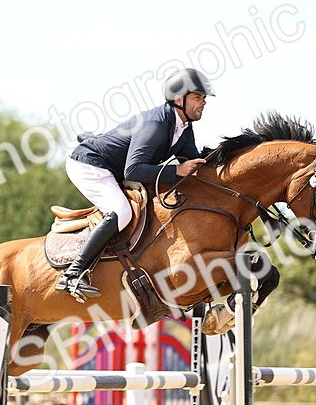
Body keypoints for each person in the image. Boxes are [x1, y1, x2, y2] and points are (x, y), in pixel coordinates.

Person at [57, 68, 216, 301]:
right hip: (90, 165)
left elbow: (194, 165)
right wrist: (176, 170)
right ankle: (73, 274)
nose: (203, 103)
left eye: (203, 99)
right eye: (197, 98)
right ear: (179, 100)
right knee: (121, 211)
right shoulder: (156, 125)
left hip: (113, 169)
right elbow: (132, 170)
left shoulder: (183, 128)